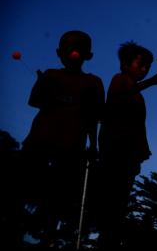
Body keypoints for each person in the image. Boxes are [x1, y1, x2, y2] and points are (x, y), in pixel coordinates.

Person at [21, 30, 104, 246]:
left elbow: (93, 117)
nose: (73, 51)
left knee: (57, 197)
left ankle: (48, 238)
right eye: (68, 47)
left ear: (89, 55)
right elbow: (35, 101)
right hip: (39, 141)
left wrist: (94, 146)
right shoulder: (50, 75)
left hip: (71, 147)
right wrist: (43, 85)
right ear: (59, 52)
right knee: (24, 188)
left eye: (79, 47)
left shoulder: (94, 82)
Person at [97, 41, 157, 248]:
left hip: (128, 153)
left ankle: (111, 239)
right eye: (140, 64)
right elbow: (119, 98)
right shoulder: (119, 80)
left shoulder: (137, 94)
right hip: (115, 150)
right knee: (112, 201)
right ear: (124, 63)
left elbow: (136, 126)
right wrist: (153, 81)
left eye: (147, 66)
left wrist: (140, 151)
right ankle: (106, 240)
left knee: (120, 202)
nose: (144, 69)